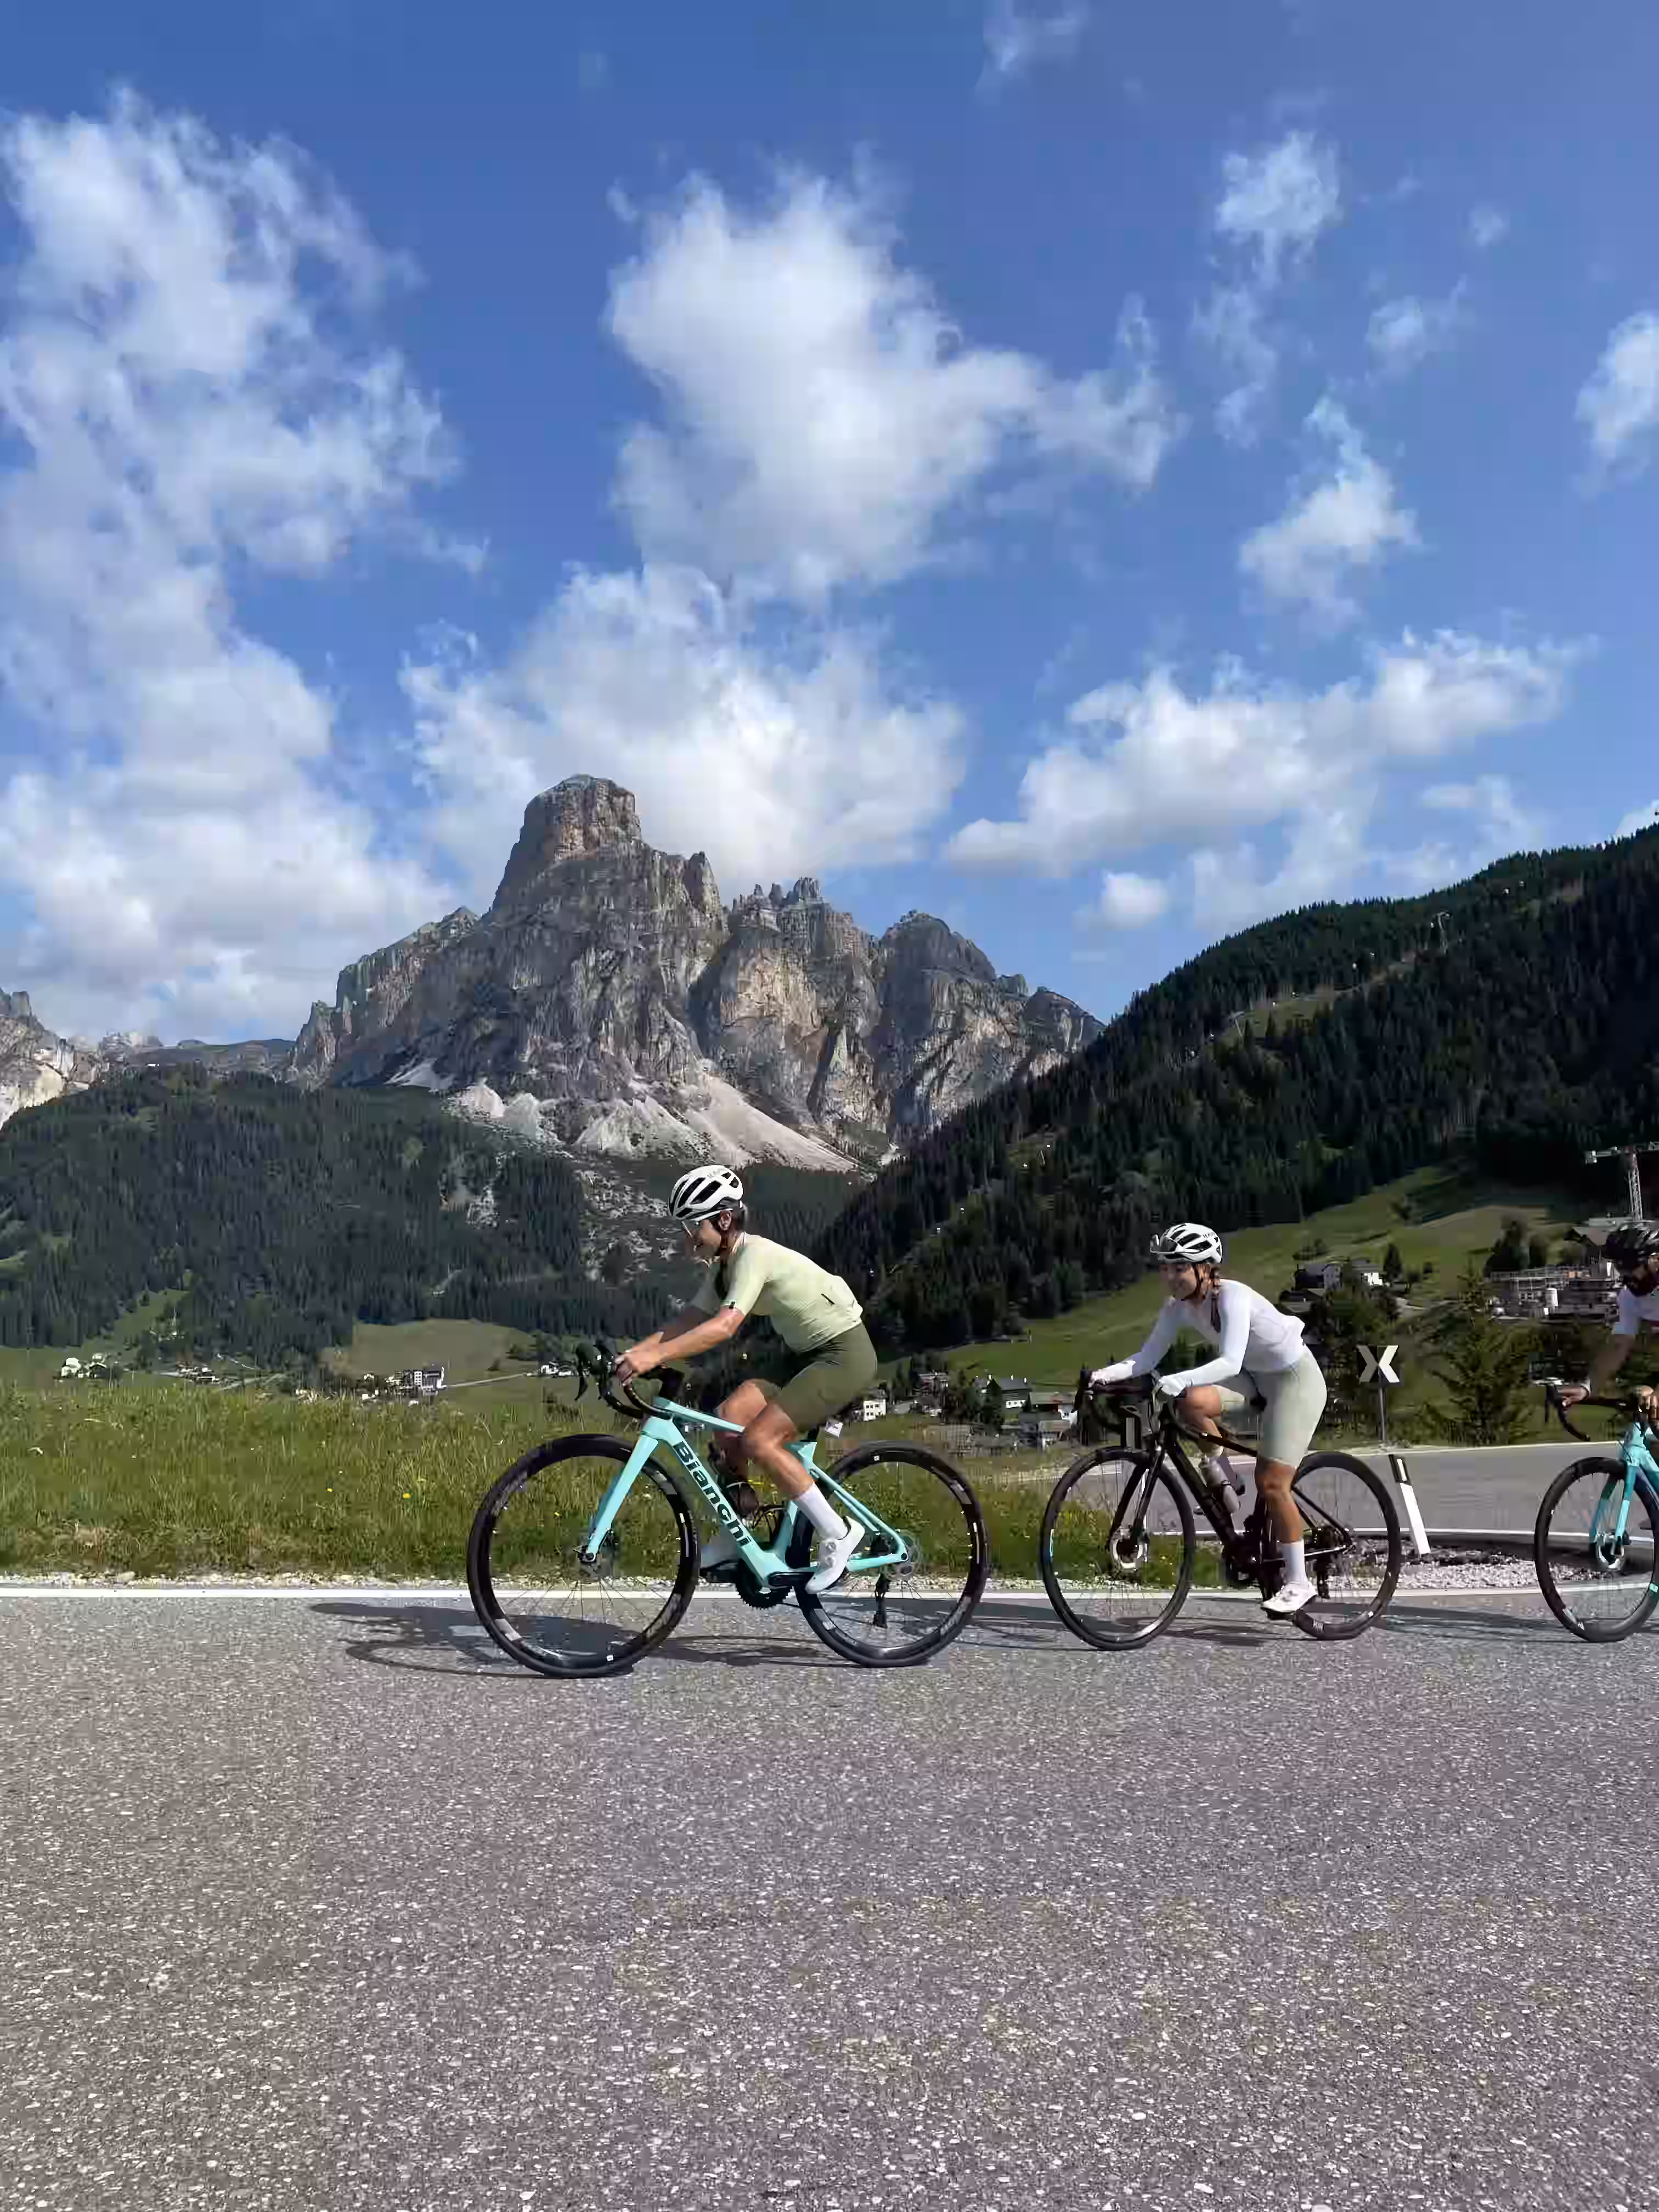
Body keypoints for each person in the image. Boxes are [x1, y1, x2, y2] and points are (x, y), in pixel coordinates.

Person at [612, 1164, 879, 1594]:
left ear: (723, 1220)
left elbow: (724, 1327)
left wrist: (656, 1356)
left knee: (759, 1441)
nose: (688, 1239)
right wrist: (632, 1356)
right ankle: (739, 1527)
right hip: (803, 1353)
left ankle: (838, 1533)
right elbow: (687, 1321)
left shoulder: (754, 1255)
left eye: (692, 1227)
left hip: (843, 1354)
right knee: (729, 1417)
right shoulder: (723, 1268)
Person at [1089, 1221, 1330, 1617]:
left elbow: (1230, 1361)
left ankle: (1298, 1582)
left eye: (1179, 1268)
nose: (1170, 1277)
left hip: (1293, 1380)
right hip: (1254, 1377)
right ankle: (1225, 1479)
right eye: (1165, 1268)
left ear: (1205, 1268)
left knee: (1272, 1483)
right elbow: (1145, 1359)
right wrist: (1103, 1375)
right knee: (1190, 1403)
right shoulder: (1177, 1307)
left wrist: (1179, 1377)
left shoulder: (1233, 1297)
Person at [1556, 1221, 1659, 1417]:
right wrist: (1588, 1387)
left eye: (1632, 1267)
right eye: (1621, 1268)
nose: (1628, 1275)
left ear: (1656, 1259)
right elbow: (1618, 1344)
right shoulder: (1630, 1297)